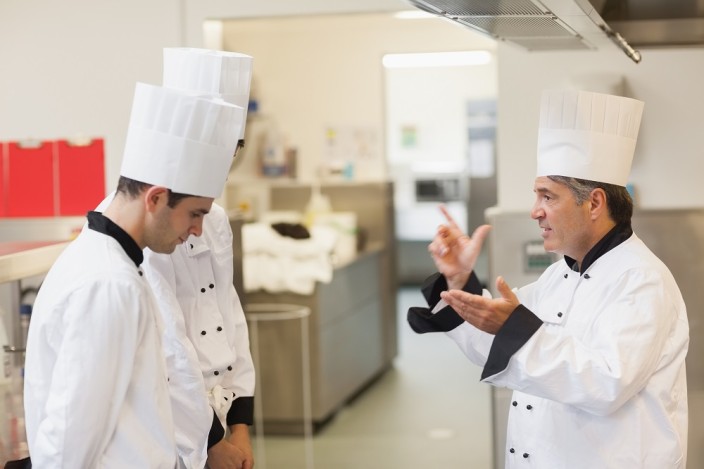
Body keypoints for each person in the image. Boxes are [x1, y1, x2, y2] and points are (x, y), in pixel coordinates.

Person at [408, 89, 689, 468]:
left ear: (594, 203)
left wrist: (516, 328)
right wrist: (459, 280)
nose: (535, 211)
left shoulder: (641, 280)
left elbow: (607, 384)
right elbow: (492, 345)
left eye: (548, 197)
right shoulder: (559, 275)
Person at [23, 78, 245, 467]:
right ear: (156, 198)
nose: (197, 230)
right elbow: (71, 439)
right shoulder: (109, 284)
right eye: (194, 214)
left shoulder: (114, 264)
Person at [143, 48, 256, 469]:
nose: (227, 164)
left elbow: (228, 311)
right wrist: (210, 442)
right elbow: (169, 345)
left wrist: (239, 425)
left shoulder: (216, 218)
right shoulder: (146, 225)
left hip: (218, 414)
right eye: (223, 150)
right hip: (173, 425)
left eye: (235, 149)